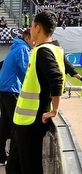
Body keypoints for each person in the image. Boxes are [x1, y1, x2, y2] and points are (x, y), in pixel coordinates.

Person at [7, 10, 64, 174]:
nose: (30, 31)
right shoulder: (51, 49)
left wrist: (55, 110)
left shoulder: (43, 51)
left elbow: (56, 78)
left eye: (32, 26)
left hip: (31, 122)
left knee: (30, 168)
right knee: (14, 166)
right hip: (22, 121)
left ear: (38, 28)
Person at [0, 27, 32, 166]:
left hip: (5, 89)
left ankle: (2, 156)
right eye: (35, 40)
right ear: (27, 39)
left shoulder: (17, 48)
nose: (36, 43)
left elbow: (21, 72)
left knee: (5, 125)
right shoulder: (22, 49)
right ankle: (15, 158)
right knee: (16, 124)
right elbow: (26, 71)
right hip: (9, 89)